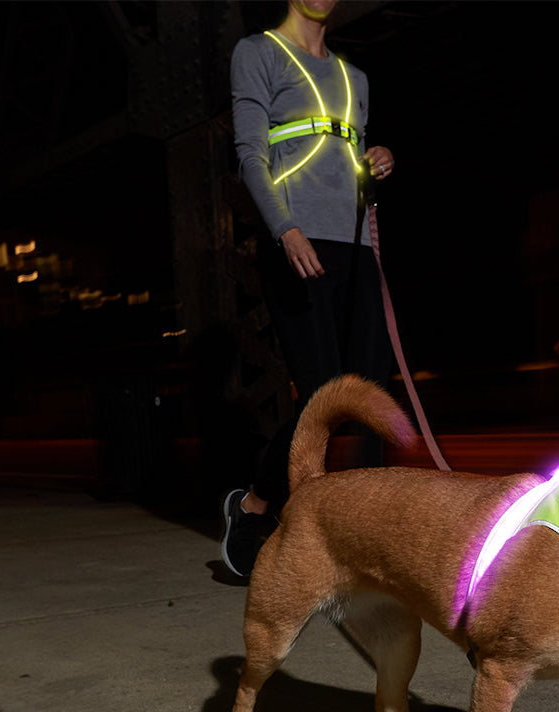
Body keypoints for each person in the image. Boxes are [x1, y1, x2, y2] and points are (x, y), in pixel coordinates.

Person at [221, 0, 395, 579]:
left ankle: (369, 533)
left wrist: (376, 160)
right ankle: (256, 505)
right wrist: (284, 229)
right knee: (322, 392)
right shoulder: (259, 53)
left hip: (356, 243)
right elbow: (251, 155)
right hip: (297, 239)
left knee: (369, 391)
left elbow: (348, 158)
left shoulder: (355, 78)